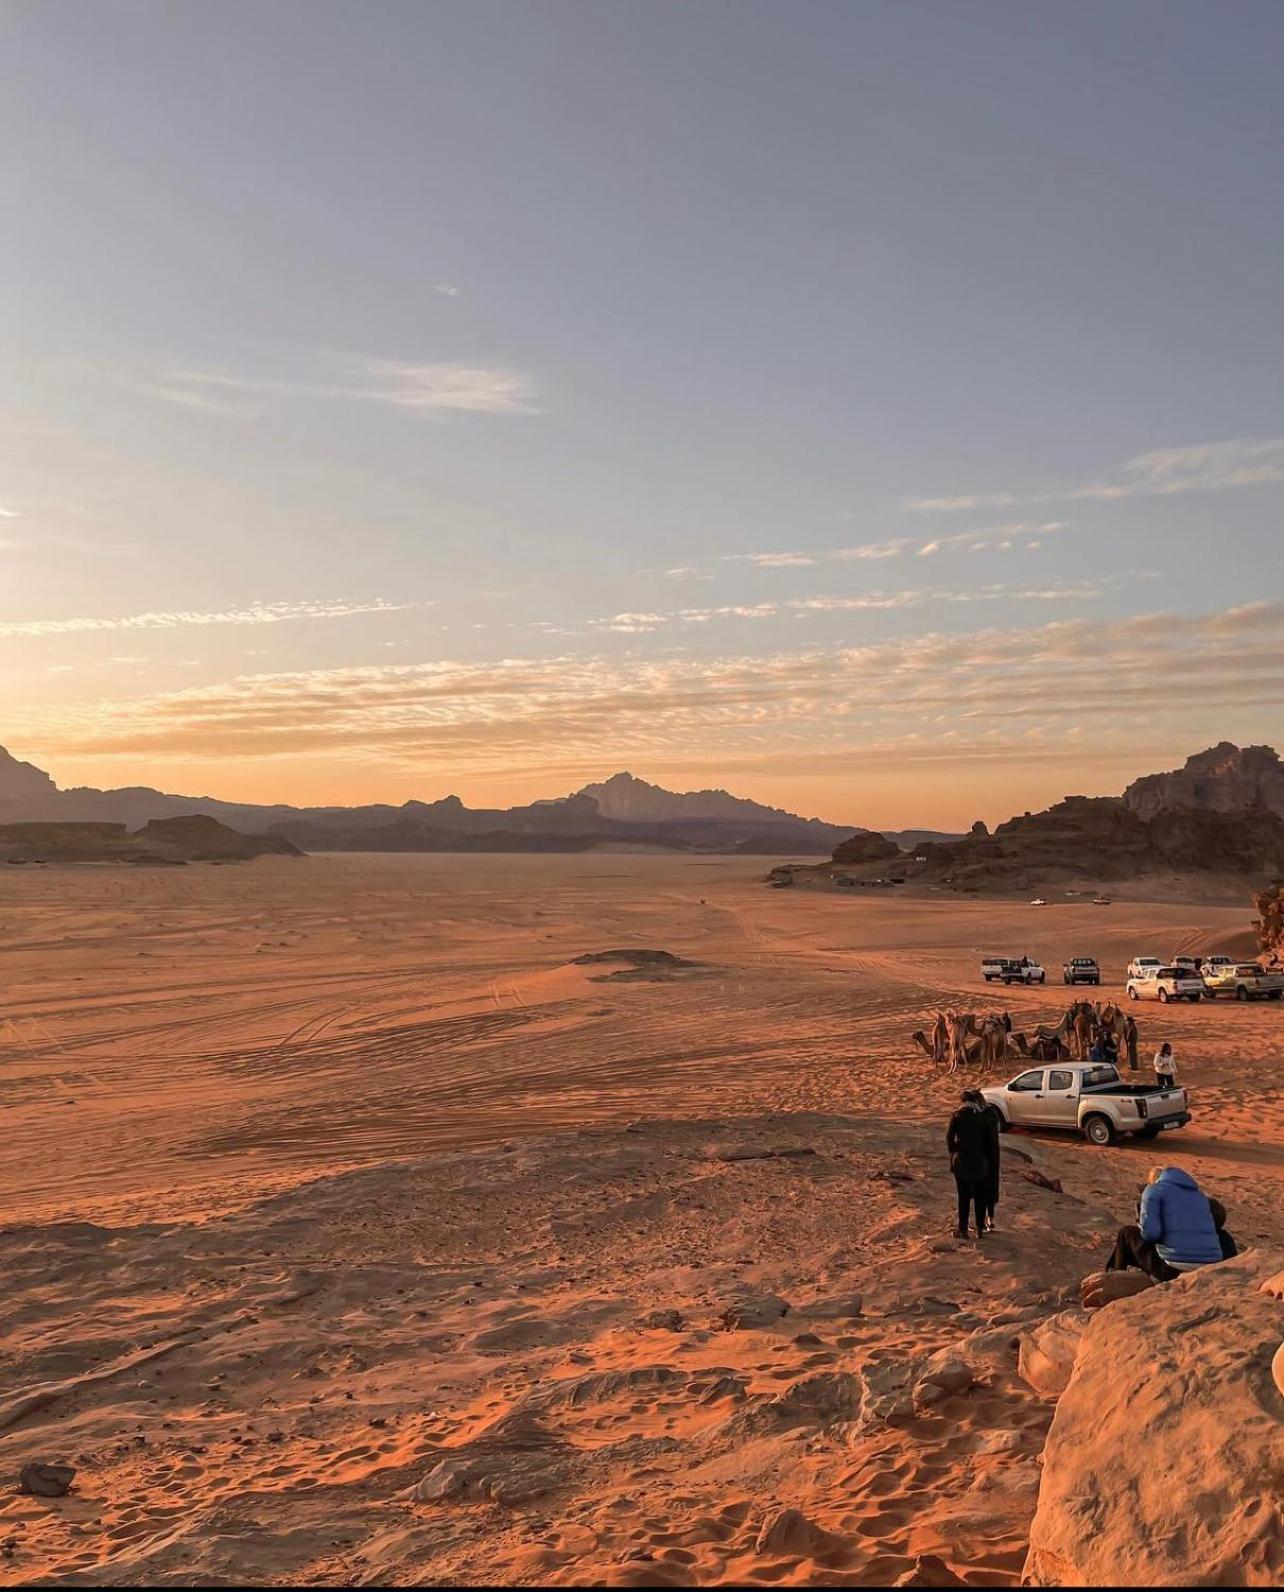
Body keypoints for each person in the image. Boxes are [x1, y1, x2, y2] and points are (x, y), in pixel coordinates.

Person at [1105, 1165, 1223, 1280]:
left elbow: (1150, 1235)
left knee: (1126, 1233)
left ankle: (1114, 1279)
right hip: (1210, 1264)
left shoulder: (1154, 1191)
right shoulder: (1199, 1195)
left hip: (1173, 1267)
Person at [946, 1090, 990, 1240]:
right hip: (979, 1162)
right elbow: (989, 1142)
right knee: (980, 1196)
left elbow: (949, 1141)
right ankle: (979, 1229)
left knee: (963, 1196)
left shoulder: (957, 1116)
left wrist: (956, 1149)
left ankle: (963, 1229)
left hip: (962, 1162)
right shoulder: (982, 1118)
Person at [964, 1087, 1003, 1233]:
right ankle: (990, 1220)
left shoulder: (978, 1116)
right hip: (993, 1155)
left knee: (977, 1191)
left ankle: (978, 1223)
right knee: (991, 1189)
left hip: (981, 1157)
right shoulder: (991, 1113)